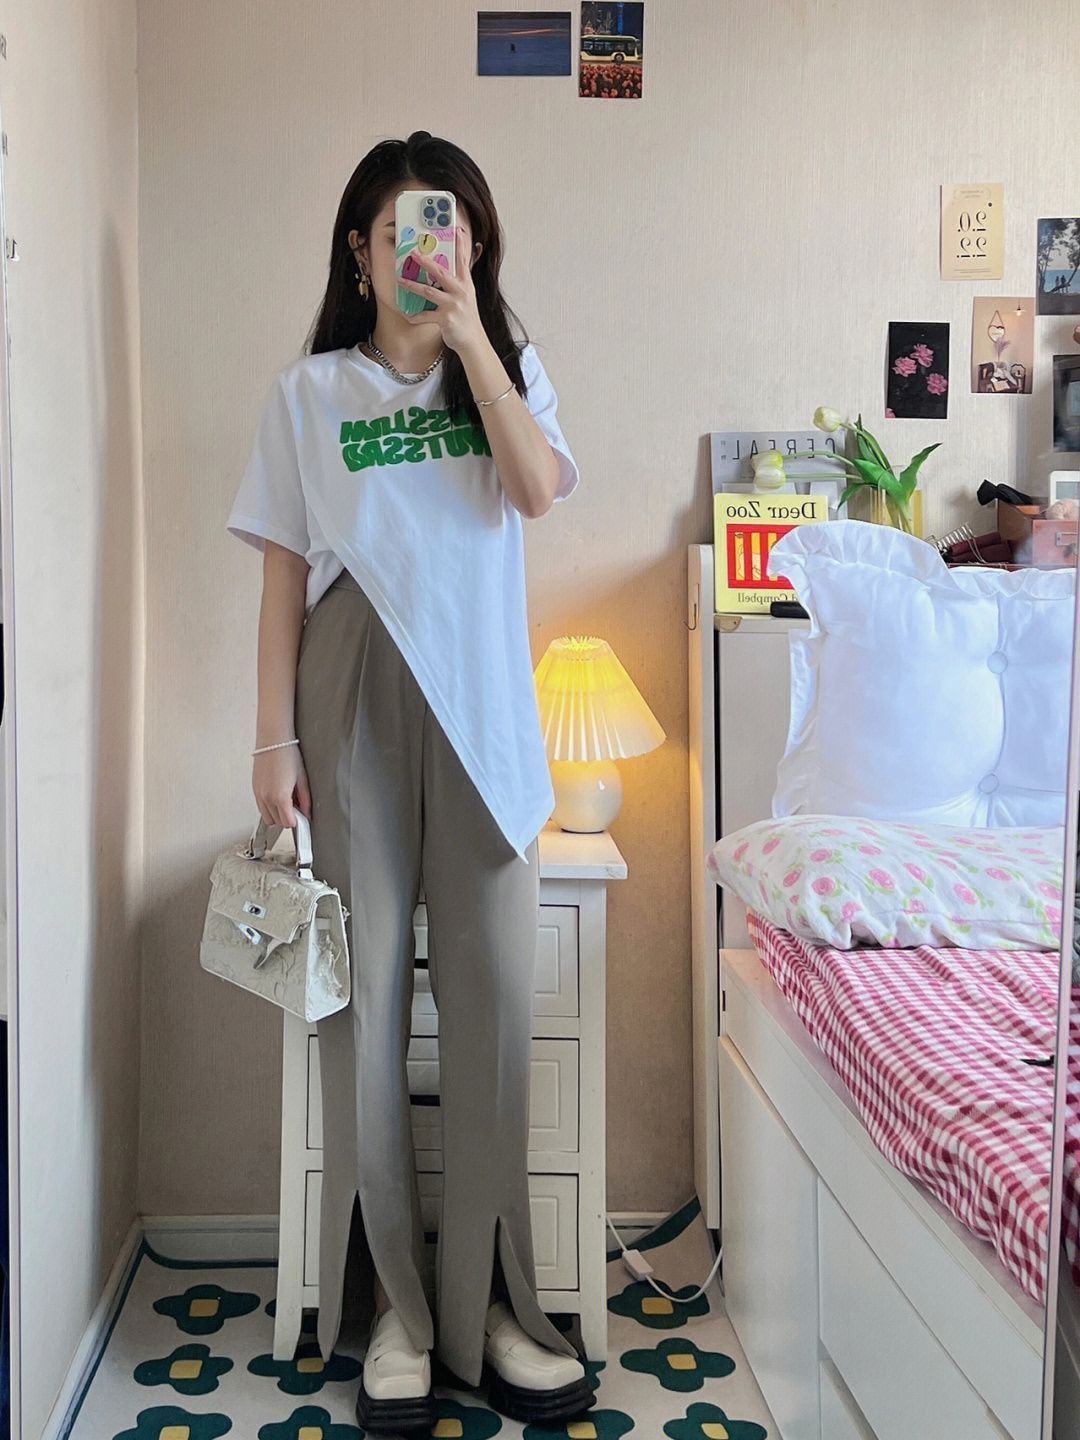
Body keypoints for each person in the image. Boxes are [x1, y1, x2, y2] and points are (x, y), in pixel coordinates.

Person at [225, 130, 591, 1434]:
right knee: (363, 1011)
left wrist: (476, 341)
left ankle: (491, 1308)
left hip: (483, 712)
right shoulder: (307, 394)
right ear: (359, 252)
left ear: (474, 248)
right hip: (350, 698)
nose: (422, 252)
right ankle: (395, 1310)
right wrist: (271, 745)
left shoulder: (510, 376)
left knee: (494, 1015)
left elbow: (537, 493)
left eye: (449, 231)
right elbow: (283, 576)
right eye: (399, 233)